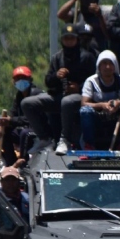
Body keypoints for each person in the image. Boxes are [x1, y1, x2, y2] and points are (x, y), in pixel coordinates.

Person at [22, 25, 96, 156]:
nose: (69, 41)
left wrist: (79, 87)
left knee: (67, 101)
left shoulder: (87, 57)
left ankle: (65, 139)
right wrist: (56, 76)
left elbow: (95, 80)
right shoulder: (57, 57)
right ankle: (45, 139)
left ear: (77, 39)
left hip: (80, 98)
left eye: (71, 38)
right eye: (66, 38)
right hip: (58, 96)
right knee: (27, 103)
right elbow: (48, 81)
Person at [79, 50, 120, 150]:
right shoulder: (91, 81)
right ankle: (89, 145)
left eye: (110, 63)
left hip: (118, 119)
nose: (107, 67)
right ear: (99, 66)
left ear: (115, 66)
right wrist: (102, 105)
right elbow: (84, 104)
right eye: (104, 63)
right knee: (85, 111)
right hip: (98, 120)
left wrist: (119, 103)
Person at [0, 66, 42, 163]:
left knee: (25, 133)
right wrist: (1, 124)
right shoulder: (19, 95)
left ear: (30, 79)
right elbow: (12, 114)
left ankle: (23, 162)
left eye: (23, 78)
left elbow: (34, 118)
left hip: (38, 132)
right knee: (5, 132)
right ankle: (11, 163)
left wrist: (11, 120)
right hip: (24, 129)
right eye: (17, 79)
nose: (20, 81)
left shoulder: (36, 94)